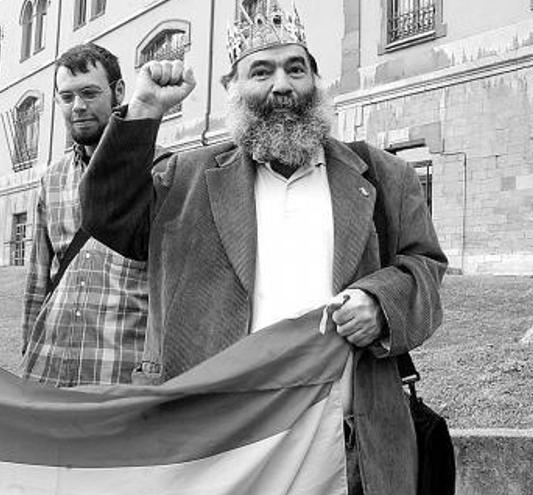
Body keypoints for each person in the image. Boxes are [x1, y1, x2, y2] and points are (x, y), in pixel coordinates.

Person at [79, 3, 447, 494]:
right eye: (262, 71)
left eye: (296, 69)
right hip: (219, 445)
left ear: (317, 82)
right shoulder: (183, 180)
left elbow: (424, 267)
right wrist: (144, 111)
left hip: (347, 445)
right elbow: (108, 215)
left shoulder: (382, 177)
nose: (282, 86)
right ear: (232, 88)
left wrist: (382, 304)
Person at [21, 43, 153, 386]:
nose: (77, 106)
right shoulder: (52, 178)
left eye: (90, 93)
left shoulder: (161, 172)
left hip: (120, 368)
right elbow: (38, 278)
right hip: (50, 366)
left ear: (119, 92)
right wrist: (27, 350)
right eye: (66, 97)